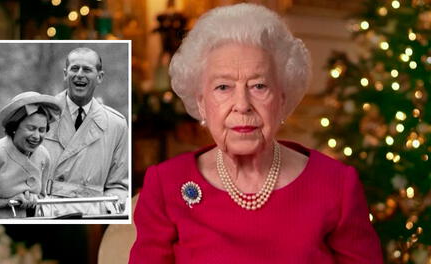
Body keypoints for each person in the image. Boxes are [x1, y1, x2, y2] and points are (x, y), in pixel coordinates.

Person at [130, 3, 383, 263]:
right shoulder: (166, 185)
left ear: (282, 100)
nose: (242, 104)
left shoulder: (335, 185)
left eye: (259, 85)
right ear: (202, 102)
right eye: (223, 87)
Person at [41, 47, 128, 217]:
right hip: (46, 212)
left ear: (100, 77)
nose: (79, 74)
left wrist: (105, 211)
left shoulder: (116, 124)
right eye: (74, 68)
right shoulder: (42, 114)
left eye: (87, 69)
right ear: (65, 74)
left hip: (92, 216)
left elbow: (119, 185)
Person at [0, 91, 62, 219]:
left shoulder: (44, 156)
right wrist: (5, 202)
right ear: (15, 127)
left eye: (42, 130)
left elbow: (42, 197)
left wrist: (34, 199)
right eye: (31, 128)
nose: (37, 136)